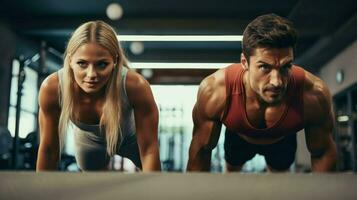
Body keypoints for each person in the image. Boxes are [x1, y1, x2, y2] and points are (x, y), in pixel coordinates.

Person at [187, 13, 337, 172]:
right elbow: (201, 151)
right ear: (244, 62)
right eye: (265, 67)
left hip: (282, 139)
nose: (276, 81)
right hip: (239, 135)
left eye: (286, 66)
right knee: (231, 177)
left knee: (278, 186)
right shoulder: (216, 91)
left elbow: (322, 153)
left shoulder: (313, 93)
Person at [36, 21, 161, 171]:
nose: (91, 75)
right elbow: (49, 151)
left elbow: (148, 150)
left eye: (102, 64)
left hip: (130, 140)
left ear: (115, 60)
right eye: (82, 63)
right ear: (70, 60)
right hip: (89, 140)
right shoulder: (52, 88)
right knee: (91, 187)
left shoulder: (135, 86)